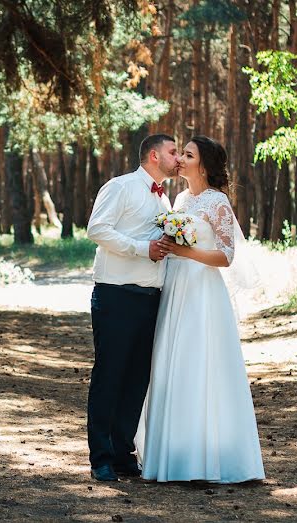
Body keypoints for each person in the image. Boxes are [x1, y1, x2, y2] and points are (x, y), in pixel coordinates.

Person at [135, 135, 265, 483]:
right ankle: (176, 454)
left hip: (202, 293)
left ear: (203, 166)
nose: (179, 160)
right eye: (180, 154)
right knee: (172, 366)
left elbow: (226, 255)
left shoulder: (217, 202)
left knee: (201, 367)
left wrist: (183, 253)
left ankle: (209, 458)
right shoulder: (178, 199)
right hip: (176, 289)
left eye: (187, 155)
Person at [85, 134, 180, 481]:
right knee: (109, 376)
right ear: (154, 156)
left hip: (151, 299)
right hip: (116, 294)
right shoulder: (120, 186)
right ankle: (101, 458)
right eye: (173, 152)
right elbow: (97, 229)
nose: (177, 158)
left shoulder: (165, 200)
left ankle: (124, 452)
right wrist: (143, 249)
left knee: (137, 379)